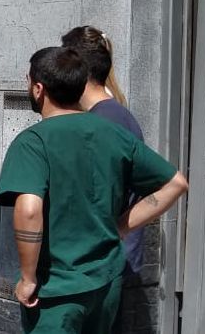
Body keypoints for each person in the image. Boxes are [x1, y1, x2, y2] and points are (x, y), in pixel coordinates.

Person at [0, 47, 188, 334]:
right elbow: (176, 183)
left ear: (38, 88)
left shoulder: (33, 142)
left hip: (57, 291)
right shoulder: (112, 132)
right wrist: (121, 227)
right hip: (105, 282)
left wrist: (28, 277)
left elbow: (30, 209)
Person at [61, 26, 147, 294]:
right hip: (108, 258)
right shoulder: (112, 114)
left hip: (102, 263)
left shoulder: (103, 121)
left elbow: (167, 184)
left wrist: (118, 228)